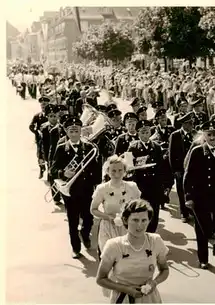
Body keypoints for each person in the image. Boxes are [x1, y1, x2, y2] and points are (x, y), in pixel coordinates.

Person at [96, 199, 170, 303]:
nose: (140, 225)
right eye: (135, 220)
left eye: (144, 220)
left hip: (150, 299)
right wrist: (126, 289)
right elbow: (101, 279)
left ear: (149, 221)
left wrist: (154, 283)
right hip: (123, 299)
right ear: (125, 220)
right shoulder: (114, 245)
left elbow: (164, 270)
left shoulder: (155, 241)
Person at [183, 119, 215, 268]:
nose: (212, 137)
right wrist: (189, 197)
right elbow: (188, 175)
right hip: (201, 197)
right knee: (202, 229)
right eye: (209, 134)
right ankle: (203, 258)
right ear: (204, 135)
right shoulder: (197, 151)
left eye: (214, 134)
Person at [51, 117, 101, 258]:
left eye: (77, 129)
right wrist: (63, 173)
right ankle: (75, 247)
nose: (74, 131)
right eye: (70, 130)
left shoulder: (89, 147)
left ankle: (85, 234)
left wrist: (97, 185)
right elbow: (53, 170)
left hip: (86, 190)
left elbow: (96, 169)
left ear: (81, 131)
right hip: (70, 191)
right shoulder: (61, 148)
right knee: (72, 221)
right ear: (66, 132)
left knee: (89, 218)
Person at [127, 120, 174, 233]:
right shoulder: (133, 147)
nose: (145, 135)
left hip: (155, 186)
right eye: (142, 132)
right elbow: (128, 167)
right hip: (140, 186)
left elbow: (163, 167)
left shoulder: (156, 147)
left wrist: (166, 185)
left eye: (147, 132)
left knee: (154, 214)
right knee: (140, 213)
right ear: (138, 133)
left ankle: (151, 236)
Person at [90, 155, 142, 254]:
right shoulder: (102, 189)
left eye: (120, 170)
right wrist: (109, 217)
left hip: (128, 228)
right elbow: (93, 209)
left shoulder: (132, 187)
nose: (117, 174)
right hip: (108, 228)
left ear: (125, 171)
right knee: (110, 259)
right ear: (107, 171)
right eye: (113, 170)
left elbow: (139, 208)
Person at [168, 112, 195, 222]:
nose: (191, 126)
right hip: (180, 169)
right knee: (181, 191)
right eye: (189, 124)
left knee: (192, 191)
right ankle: (184, 213)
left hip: (192, 169)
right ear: (183, 124)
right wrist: (175, 170)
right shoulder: (175, 135)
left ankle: (191, 211)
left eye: (192, 123)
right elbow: (171, 154)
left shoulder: (195, 134)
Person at [29, 96, 49, 178]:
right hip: (40, 140)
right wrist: (37, 132)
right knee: (40, 156)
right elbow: (31, 126)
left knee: (49, 156)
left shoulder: (52, 115)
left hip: (49, 139)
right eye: (42, 105)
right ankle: (42, 169)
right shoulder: (37, 116)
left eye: (45, 105)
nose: (43, 107)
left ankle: (49, 173)